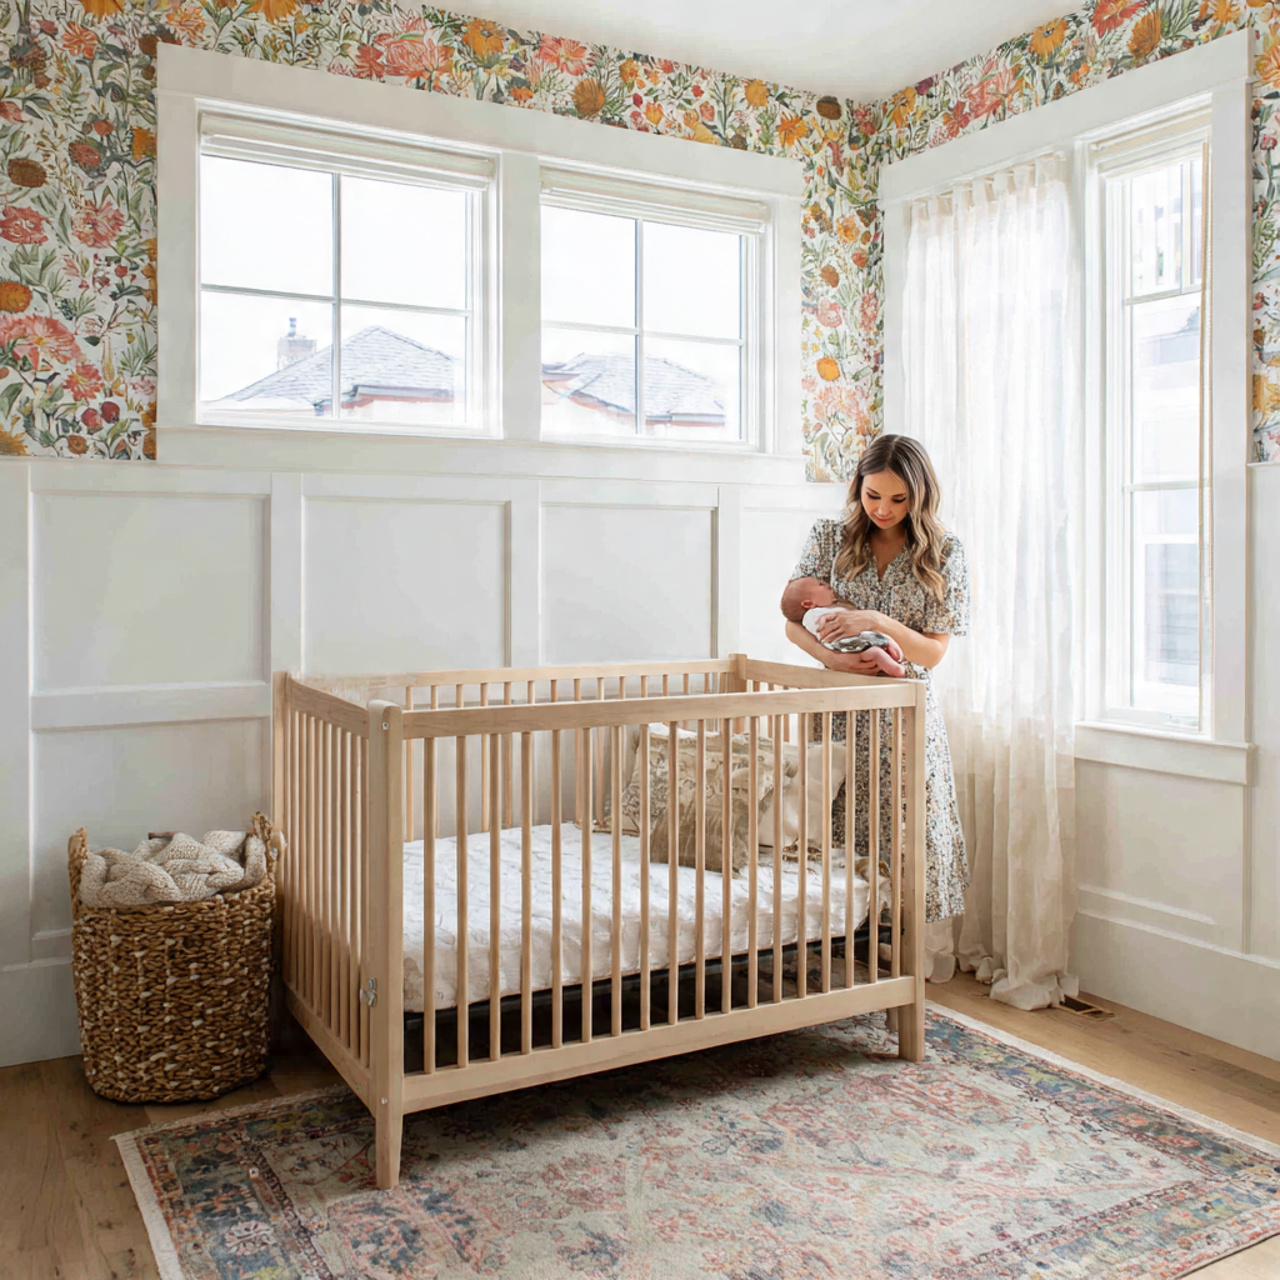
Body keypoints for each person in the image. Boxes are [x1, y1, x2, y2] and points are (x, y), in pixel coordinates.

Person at [782, 433, 970, 925]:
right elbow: (792, 621)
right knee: (836, 826)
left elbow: (932, 652)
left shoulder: (944, 553)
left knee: (904, 831)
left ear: (920, 495)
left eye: (898, 499)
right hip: (839, 711)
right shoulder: (829, 538)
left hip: (903, 718)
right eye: (872, 495)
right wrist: (836, 661)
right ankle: (835, 952)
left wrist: (878, 622)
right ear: (857, 488)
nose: (883, 509)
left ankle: (908, 964)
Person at [779, 577, 907, 678]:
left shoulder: (828, 609)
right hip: (843, 644)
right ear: (808, 603)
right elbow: (797, 626)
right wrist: (827, 656)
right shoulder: (812, 615)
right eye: (821, 585)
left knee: (877, 644)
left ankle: (891, 651)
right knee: (872, 652)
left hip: (857, 638)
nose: (828, 585)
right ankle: (893, 665)